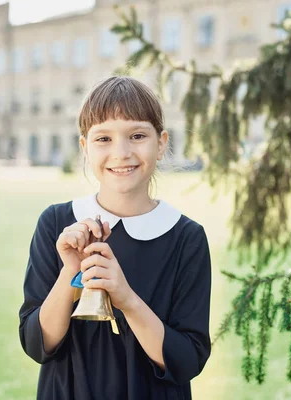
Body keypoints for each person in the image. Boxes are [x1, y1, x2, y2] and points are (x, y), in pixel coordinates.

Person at [19, 76, 212, 399]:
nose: (121, 153)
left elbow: (186, 359)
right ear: (85, 147)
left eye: (137, 135)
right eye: (103, 138)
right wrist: (70, 274)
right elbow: (38, 344)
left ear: (161, 143)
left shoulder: (185, 238)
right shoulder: (56, 224)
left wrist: (126, 299)